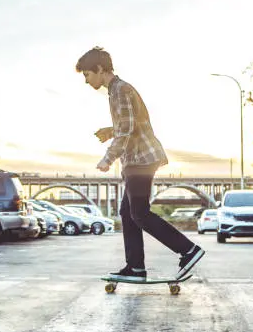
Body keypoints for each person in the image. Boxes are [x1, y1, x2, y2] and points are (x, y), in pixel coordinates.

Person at [75, 47, 205, 282]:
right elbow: (130, 125)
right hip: (138, 159)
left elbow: (126, 131)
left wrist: (108, 159)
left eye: (87, 74)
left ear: (100, 69)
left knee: (140, 213)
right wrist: (109, 131)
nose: (86, 80)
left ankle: (188, 250)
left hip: (141, 159)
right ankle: (135, 267)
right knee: (128, 212)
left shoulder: (120, 90)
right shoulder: (117, 90)